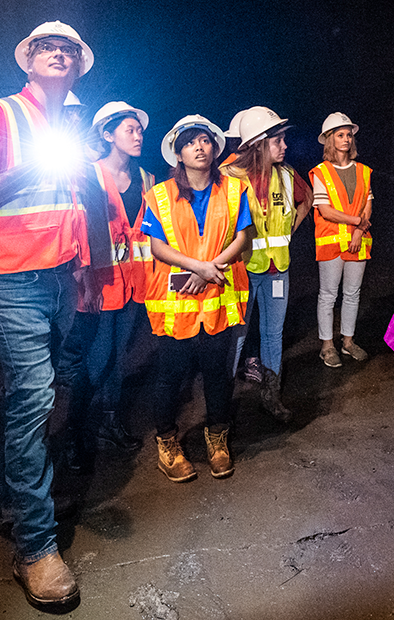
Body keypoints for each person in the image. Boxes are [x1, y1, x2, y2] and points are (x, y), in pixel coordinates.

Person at [0, 20, 94, 607]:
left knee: (24, 395)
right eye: (46, 48)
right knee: (35, 395)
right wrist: (35, 167)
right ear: (28, 61)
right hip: (10, 280)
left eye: (68, 50)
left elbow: (71, 204)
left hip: (55, 276)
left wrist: (81, 266)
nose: (58, 54)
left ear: (79, 66)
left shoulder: (66, 127)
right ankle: (36, 547)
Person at [141, 115, 254, 482]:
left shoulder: (234, 190)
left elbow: (243, 238)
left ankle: (217, 439)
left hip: (216, 297)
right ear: (178, 153)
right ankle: (167, 444)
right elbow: (157, 246)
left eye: (205, 140)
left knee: (217, 375)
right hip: (177, 302)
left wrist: (210, 267)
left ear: (215, 147)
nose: (200, 147)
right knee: (170, 378)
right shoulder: (158, 195)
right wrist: (198, 267)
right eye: (190, 142)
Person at [59, 102, 153, 476]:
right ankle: (75, 436)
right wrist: (83, 279)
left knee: (117, 359)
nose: (137, 135)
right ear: (108, 134)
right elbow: (78, 229)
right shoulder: (89, 176)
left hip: (133, 284)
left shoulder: (145, 179)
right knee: (95, 364)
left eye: (139, 129)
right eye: (129, 129)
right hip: (99, 285)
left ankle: (110, 424)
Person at [222, 106, 309, 421]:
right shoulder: (230, 177)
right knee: (238, 334)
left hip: (277, 270)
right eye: (278, 140)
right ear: (258, 143)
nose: (284, 146)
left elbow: (307, 200)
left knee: (274, 333)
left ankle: (272, 397)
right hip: (242, 272)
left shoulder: (286, 175)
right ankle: (223, 405)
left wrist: (286, 234)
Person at [311, 112, 374, 367]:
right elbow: (325, 211)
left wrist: (359, 231)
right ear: (329, 140)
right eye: (340, 135)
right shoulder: (320, 172)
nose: (346, 139)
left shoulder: (363, 170)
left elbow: (368, 204)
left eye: (349, 134)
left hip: (358, 241)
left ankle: (348, 342)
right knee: (328, 295)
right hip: (331, 243)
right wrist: (357, 223)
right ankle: (327, 346)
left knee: (352, 294)